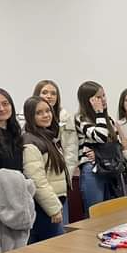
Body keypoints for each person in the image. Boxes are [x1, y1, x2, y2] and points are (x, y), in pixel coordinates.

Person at [33, 80, 78, 225]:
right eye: (44, 92)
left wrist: (66, 175)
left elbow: (71, 149)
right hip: (41, 182)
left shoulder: (65, 117)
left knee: (62, 226)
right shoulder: (26, 119)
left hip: (60, 180)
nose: (49, 96)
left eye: (53, 93)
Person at [22, 96, 67, 243]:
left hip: (54, 202)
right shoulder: (30, 142)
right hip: (44, 207)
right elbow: (37, 180)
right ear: (30, 116)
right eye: (39, 113)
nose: (46, 115)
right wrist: (53, 208)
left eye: (48, 111)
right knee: (56, 249)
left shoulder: (47, 136)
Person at [75, 81, 122, 215]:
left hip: (111, 168)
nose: (103, 100)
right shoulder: (81, 119)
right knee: (96, 213)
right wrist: (99, 113)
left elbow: (117, 145)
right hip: (92, 170)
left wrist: (100, 154)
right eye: (98, 97)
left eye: (104, 96)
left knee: (113, 213)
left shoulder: (109, 120)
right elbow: (100, 136)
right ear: (88, 100)